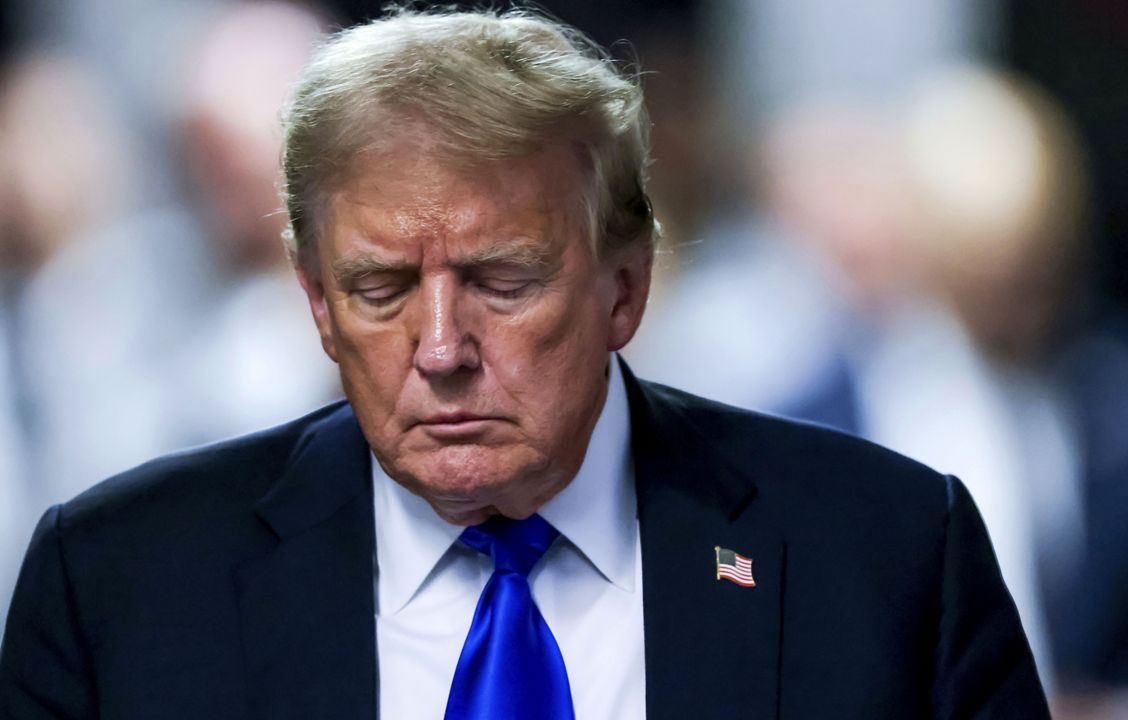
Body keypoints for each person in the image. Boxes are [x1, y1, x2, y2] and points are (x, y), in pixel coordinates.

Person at [0, 9, 1048, 718]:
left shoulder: (889, 561)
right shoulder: (119, 590)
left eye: (502, 282)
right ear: (315, 303)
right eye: (380, 290)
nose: (442, 350)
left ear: (624, 287)